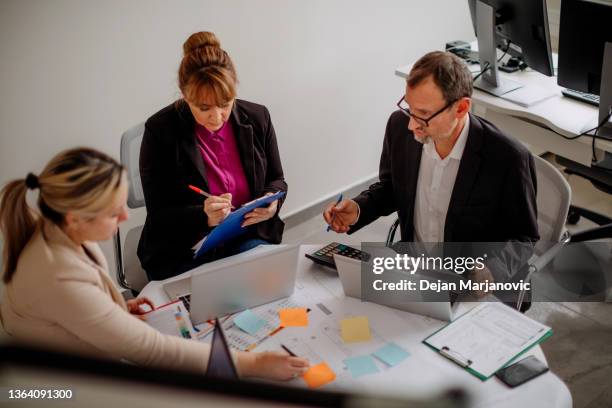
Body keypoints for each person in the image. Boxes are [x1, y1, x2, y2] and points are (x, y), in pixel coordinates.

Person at [0, 147, 307, 379]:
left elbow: (79, 298)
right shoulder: (56, 277)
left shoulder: (57, 228)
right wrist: (255, 364)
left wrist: (113, 308)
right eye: (113, 213)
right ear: (75, 218)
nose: (124, 219)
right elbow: (151, 350)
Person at [324, 51, 539, 284]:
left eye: (424, 114)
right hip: (413, 267)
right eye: (409, 108)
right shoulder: (399, 128)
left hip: (468, 280)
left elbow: (524, 237)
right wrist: (358, 209)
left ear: (461, 108)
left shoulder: (508, 157)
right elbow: (391, 188)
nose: (412, 124)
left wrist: (491, 271)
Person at [138, 31, 287, 280]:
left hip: (245, 238)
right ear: (185, 96)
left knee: (267, 296)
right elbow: (159, 215)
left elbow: (277, 178)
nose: (217, 118)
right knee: (207, 312)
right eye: (204, 108)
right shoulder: (160, 131)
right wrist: (202, 216)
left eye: (225, 103)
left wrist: (273, 201)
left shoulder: (258, 117)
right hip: (184, 251)